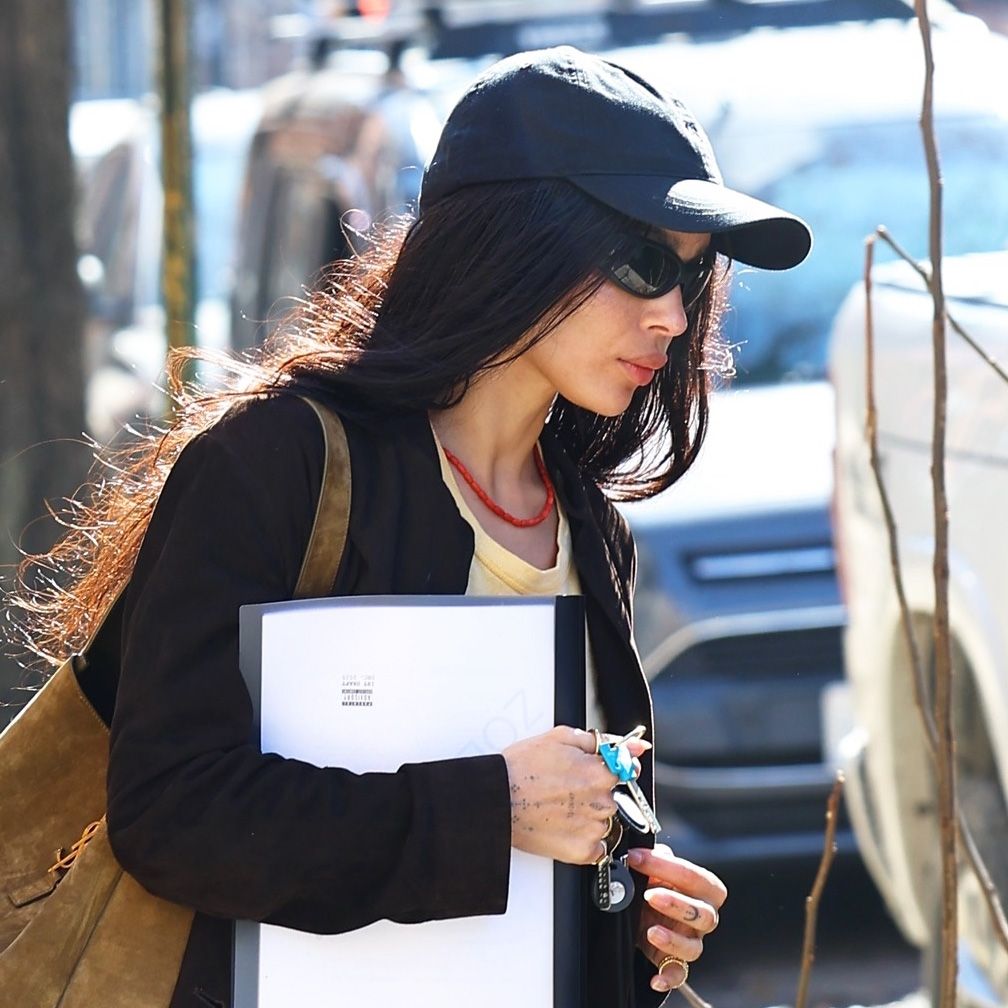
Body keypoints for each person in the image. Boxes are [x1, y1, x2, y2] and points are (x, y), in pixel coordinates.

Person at [7, 46, 810, 1008]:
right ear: (515, 239)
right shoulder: (276, 468)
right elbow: (171, 812)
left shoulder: (590, 528)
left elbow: (550, 850)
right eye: (643, 263)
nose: (675, 316)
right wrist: (494, 806)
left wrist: (629, 915)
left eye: (693, 277)